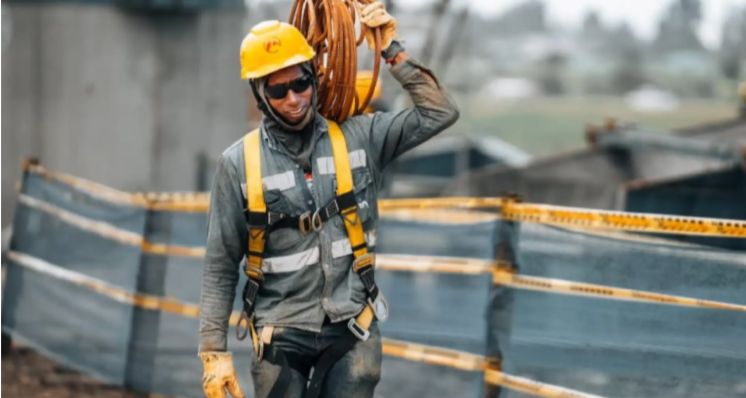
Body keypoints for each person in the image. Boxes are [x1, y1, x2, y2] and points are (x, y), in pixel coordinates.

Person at [198, 2, 459, 398]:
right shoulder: (238, 164)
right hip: (280, 337)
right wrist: (212, 352)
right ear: (260, 93)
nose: (293, 98)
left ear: (313, 78)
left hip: (352, 329)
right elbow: (219, 265)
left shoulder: (360, 137)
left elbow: (440, 112)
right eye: (278, 90)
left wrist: (391, 47)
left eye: (300, 83)